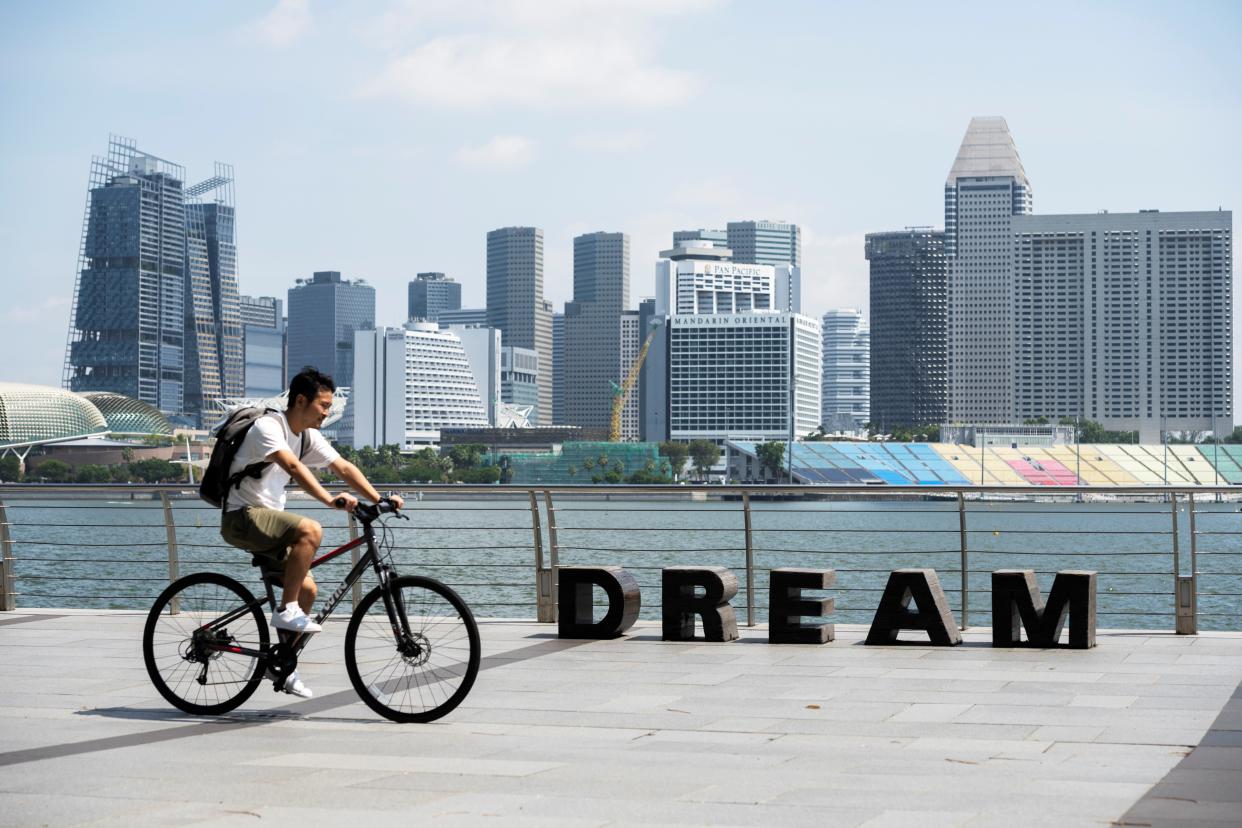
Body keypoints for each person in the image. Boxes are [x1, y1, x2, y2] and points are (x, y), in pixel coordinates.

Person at [219, 367, 403, 698]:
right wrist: (330, 500)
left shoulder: (308, 437)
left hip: (269, 521)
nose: (327, 412)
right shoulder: (268, 427)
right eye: (322, 405)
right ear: (301, 400)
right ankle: (286, 610)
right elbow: (293, 467)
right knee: (309, 529)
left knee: (308, 590)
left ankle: (286, 667)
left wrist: (380, 499)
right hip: (241, 518)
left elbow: (344, 467)